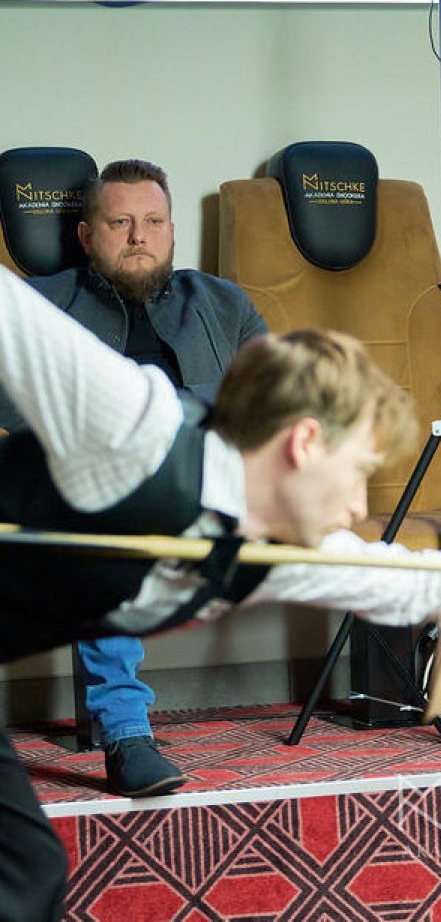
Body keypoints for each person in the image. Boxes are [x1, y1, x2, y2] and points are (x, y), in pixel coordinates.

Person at [0, 261, 441, 922]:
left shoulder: (276, 549)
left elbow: (413, 580)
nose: (357, 507)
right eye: (357, 473)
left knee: (27, 871)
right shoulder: (135, 424)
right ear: (305, 442)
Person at [0, 159, 268, 799]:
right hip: (101, 486)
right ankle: (127, 734)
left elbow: (274, 394)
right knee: (104, 526)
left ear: (172, 231)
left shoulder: (222, 303)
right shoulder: (42, 303)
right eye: (119, 223)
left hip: (207, 478)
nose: (138, 236)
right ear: (87, 235)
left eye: (153, 221)